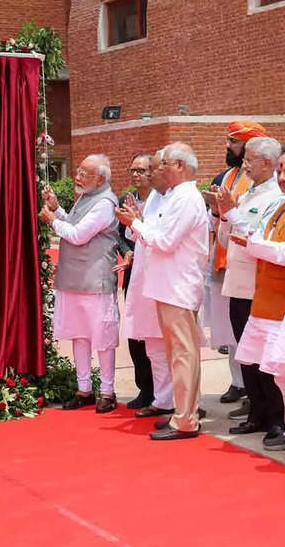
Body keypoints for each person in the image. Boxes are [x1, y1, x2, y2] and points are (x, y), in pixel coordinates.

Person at [117, 142, 210, 440]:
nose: (158, 170)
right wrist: (139, 224)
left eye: (162, 165)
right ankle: (182, 412)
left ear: (179, 166)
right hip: (169, 285)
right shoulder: (173, 197)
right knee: (178, 353)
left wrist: (136, 224)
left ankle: (185, 419)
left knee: (183, 354)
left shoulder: (186, 198)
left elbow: (165, 241)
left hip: (178, 285)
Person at [230, 146, 285, 448]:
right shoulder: (281, 204)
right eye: (280, 171)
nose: (282, 177)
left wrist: (254, 245)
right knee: (279, 375)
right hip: (265, 301)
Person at [211, 137, 285, 436]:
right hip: (238, 283)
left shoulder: (276, 196)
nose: (245, 165)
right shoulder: (247, 194)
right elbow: (227, 239)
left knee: (265, 358)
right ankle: (256, 412)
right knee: (247, 353)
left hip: (259, 285)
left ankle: (276, 418)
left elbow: (257, 236)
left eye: (250, 159)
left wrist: (233, 213)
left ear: (267, 163)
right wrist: (225, 214)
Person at [40, 154, 121, 413]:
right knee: (80, 335)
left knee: (103, 338)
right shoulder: (87, 196)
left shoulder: (105, 203)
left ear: (100, 178)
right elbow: (74, 223)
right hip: (74, 278)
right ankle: (84, 388)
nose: (77, 176)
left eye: (84, 174)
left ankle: (107, 392)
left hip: (95, 279)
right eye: (78, 171)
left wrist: (52, 221)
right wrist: (57, 209)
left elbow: (77, 235)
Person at [204, 121, 259, 406]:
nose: (228, 146)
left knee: (248, 328)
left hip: (248, 264)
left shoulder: (262, 181)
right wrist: (215, 211)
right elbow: (214, 220)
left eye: (233, 141)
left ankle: (254, 388)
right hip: (222, 260)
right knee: (229, 328)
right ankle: (238, 382)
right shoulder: (224, 176)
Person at [117, 152, 174, 416]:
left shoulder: (168, 199)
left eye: (145, 169)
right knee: (142, 339)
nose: (140, 175)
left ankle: (170, 398)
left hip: (163, 279)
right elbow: (127, 233)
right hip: (137, 273)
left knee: (165, 344)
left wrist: (136, 221)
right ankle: (151, 393)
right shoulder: (134, 200)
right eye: (135, 170)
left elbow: (160, 238)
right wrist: (131, 231)